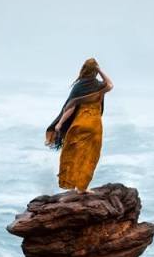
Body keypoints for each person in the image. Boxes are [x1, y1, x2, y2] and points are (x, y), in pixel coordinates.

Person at [45, 58, 114, 194]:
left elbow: (70, 108)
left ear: (83, 70)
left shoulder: (79, 87)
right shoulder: (100, 86)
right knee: (90, 155)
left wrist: (59, 124)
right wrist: (99, 70)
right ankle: (82, 187)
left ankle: (71, 182)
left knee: (73, 153)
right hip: (94, 126)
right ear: (95, 71)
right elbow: (110, 84)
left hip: (79, 124)